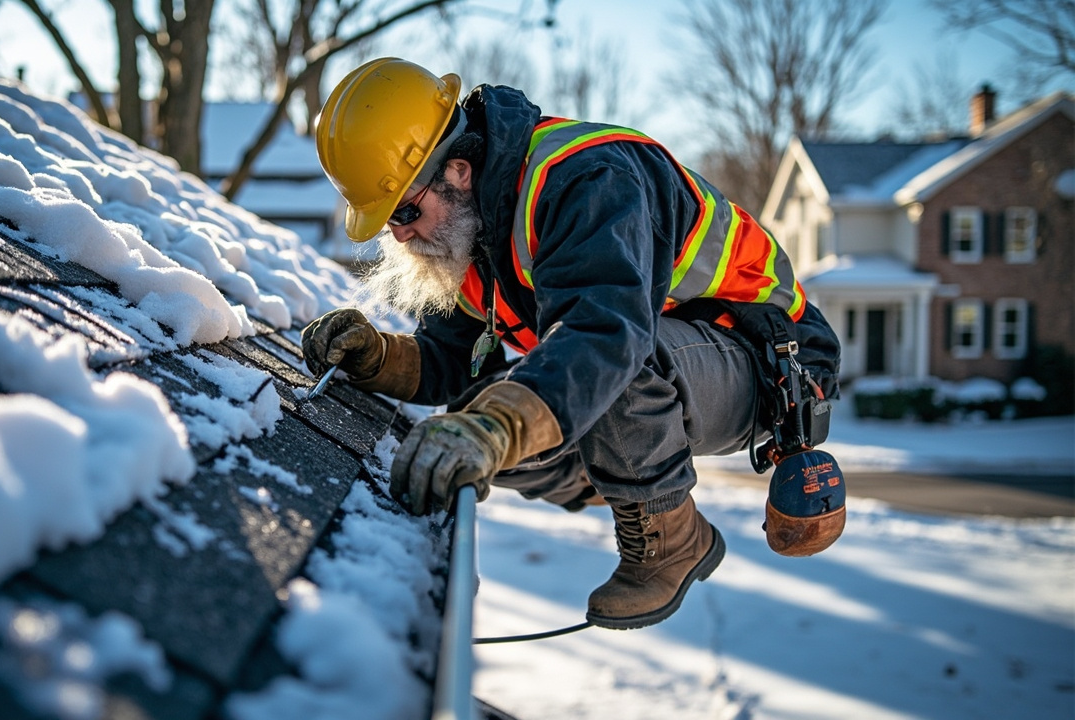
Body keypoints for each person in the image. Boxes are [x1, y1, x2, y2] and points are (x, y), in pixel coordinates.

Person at [302, 58, 842, 629]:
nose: (402, 233)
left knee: (602, 370)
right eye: (390, 222)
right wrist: (378, 358)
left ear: (457, 170)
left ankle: (670, 535)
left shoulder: (584, 179)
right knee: (475, 415)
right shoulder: (476, 229)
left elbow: (606, 335)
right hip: (663, 355)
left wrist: (499, 427)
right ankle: (621, 474)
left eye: (406, 210)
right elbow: (451, 360)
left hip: (768, 362)